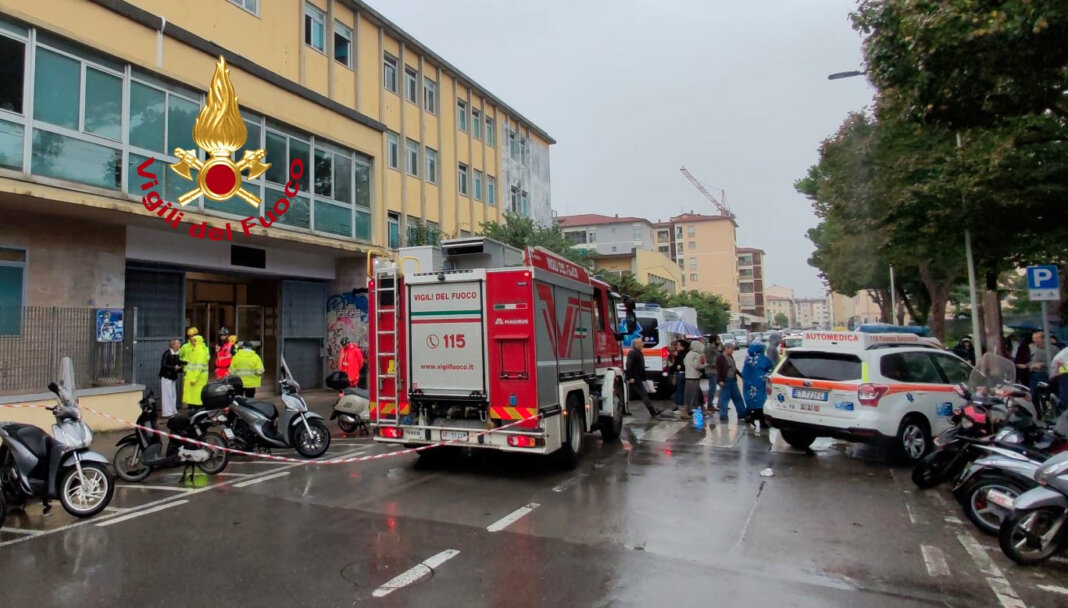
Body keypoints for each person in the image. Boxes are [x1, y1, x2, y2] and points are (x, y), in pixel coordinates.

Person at [625, 336, 661, 418]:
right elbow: (628, 365)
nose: (643, 344)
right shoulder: (633, 352)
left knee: (632, 395)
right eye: (641, 342)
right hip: (635, 378)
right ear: (636, 344)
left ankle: (626, 410)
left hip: (638, 377)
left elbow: (640, 366)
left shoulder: (638, 352)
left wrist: (644, 377)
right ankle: (652, 411)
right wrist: (629, 377)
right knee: (643, 394)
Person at [741, 341, 774, 427]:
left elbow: (744, 373)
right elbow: (771, 369)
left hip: (749, 385)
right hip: (760, 385)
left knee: (751, 401)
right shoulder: (764, 359)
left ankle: (749, 415)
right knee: (761, 402)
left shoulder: (747, 360)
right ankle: (762, 422)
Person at [716, 342, 747, 422]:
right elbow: (718, 370)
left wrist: (741, 375)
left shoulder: (730, 356)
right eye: (731, 349)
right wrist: (720, 380)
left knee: (738, 398)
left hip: (733, 380)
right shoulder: (720, 358)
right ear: (726, 348)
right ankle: (723, 416)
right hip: (726, 381)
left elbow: (734, 368)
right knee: (724, 399)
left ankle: (742, 414)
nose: (732, 350)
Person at [181, 335, 210, 410]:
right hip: (194, 379)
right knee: (194, 399)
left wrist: (194, 378)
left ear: (198, 341)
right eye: (192, 341)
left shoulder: (199, 351)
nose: (193, 342)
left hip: (197, 380)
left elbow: (198, 367)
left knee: (197, 399)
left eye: (195, 341)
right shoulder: (195, 350)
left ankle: (197, 413)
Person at [682, 339, 707, 422]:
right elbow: (697, 366)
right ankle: (685, 411)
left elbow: (684, 363)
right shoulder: (696, 355)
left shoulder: (688, 354)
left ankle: (689, 410)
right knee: (692, 395)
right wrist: (705, 365)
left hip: (688, 376)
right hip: (694, 377)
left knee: (688, 394)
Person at [158, 339, 183, 418]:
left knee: (172, 394)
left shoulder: (177, 354)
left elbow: (179, 363)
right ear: (173, 345)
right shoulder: (167, 353)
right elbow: (164, 365)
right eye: (178, 343)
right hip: (166, 376)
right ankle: (167, 412)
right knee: (167, 394)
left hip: (172, 376)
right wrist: (173, 367)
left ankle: (173, 409)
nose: (179, 345)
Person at [1030, 331, 1051, 408]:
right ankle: (1037, 413)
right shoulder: (1032, 349)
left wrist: (1043, 364)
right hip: (1033, 375)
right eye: (1033, 338)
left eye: (1037, 338)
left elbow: (1056, 361)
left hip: (1045, 374)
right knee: (1033, 395)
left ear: (1043, 339)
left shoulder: (1052, 349)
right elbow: (1030, 362)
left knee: (1045, 395)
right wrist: (1028, 366)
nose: (1034, 340)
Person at [668, 339, 688, 412]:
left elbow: (677, 365)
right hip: (683, 374)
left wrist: (671, 372)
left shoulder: (681, 355)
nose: (677, 346)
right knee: (680, 390)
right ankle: (680, 405)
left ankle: (680, 406)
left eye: (678, 345)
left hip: (681, 374)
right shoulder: (681, 354)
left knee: (679, 390)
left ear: (682, 346)